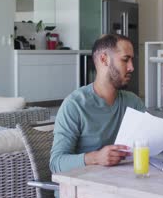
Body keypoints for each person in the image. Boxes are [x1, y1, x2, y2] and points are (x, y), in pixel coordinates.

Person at [50, 34, 146, 174]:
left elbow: (150, 144)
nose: (131, 67)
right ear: (104, 59)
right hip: (80, 190)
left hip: (119, 183)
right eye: (125, 60)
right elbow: (56, 163)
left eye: (132, 60)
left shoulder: (133, 102)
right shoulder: (74, 105)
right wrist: (96, 158)